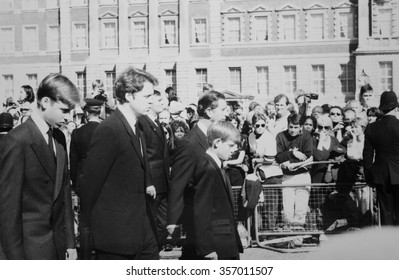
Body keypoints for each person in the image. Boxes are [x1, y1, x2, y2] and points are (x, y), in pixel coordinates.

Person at [79, 67, 159, 260]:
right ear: (129, 96)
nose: (152, 101)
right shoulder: (110, 129)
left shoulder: (138, 126)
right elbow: (90, 184)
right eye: (147, 96)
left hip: (141, 229)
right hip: (116, 236)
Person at [0, 73, 79, 259]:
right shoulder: (17, 141)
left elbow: (64, 193)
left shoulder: (59, 137)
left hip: (58, 245)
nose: (69, 117)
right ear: (45, 102)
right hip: (29, 248)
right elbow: (8, 209)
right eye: (64, 110)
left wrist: (70, 242)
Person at [167, 91, 228, 259]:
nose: (226, 113)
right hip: (198, 222)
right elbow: (178, 184)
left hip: (217, 219)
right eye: (222, 109)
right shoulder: (190, 143)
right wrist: (173, 222)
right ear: (209, 112)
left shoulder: (215, 138)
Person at [193, 121, 243, 259]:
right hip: (217, 243)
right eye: (231, 145)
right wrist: (206, 249)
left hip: (224, 240)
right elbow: (201, 210)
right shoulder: (207, 168)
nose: (235, 150)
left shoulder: (215, 165)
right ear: (217, 142)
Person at [138, 90, 171, 251]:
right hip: (153, 183)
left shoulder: (157, 123)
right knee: (153, 220)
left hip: (162, 181)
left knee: (163, 220)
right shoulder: (143, 123)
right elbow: (145, 156)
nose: (163, 103)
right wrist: (148, 182)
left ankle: (156, 248)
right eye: (159, 100)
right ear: (149, 102)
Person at [363, 91, 399, 225]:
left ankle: (388, 244)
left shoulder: (371, 128)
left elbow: (367, 155)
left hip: (381, 175)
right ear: (396, 107)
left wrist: (368, 175)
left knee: (386, 213)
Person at [276, 112, 313, 229]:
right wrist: (293, 153)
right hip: (287, 177)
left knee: (301, 209)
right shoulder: (281, 136)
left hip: (302, 175)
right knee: (287, 209)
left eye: (296, 127)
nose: (292, 130)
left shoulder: (306, 136)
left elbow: (308, 156)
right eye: (290, 127)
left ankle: (298, 234)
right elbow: (279, 156)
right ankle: (289, 233)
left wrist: (290, 162)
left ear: (301, 126)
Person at [69, 98, 103, 196]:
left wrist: (76, 184)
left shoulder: (77, 133)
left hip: (84, 180)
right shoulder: (108, 130)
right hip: (104, 181)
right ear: (99, 113)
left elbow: (73, 161)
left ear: (86, 113)